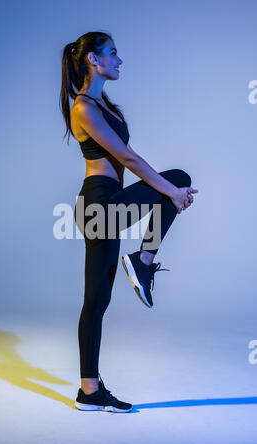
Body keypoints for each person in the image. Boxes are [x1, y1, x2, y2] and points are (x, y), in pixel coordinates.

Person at [59, 31, 198, 413]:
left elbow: (130, 158)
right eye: (113, 54)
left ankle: (89, 391)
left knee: (98, 300)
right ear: (93, 59)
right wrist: (171, 191)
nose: (119, 60)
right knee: (179, 179)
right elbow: (129, 159)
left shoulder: (106, 105)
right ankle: (144, 260)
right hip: (98, 205)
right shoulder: (83, 108)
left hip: (111, 204)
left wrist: (169, 191)